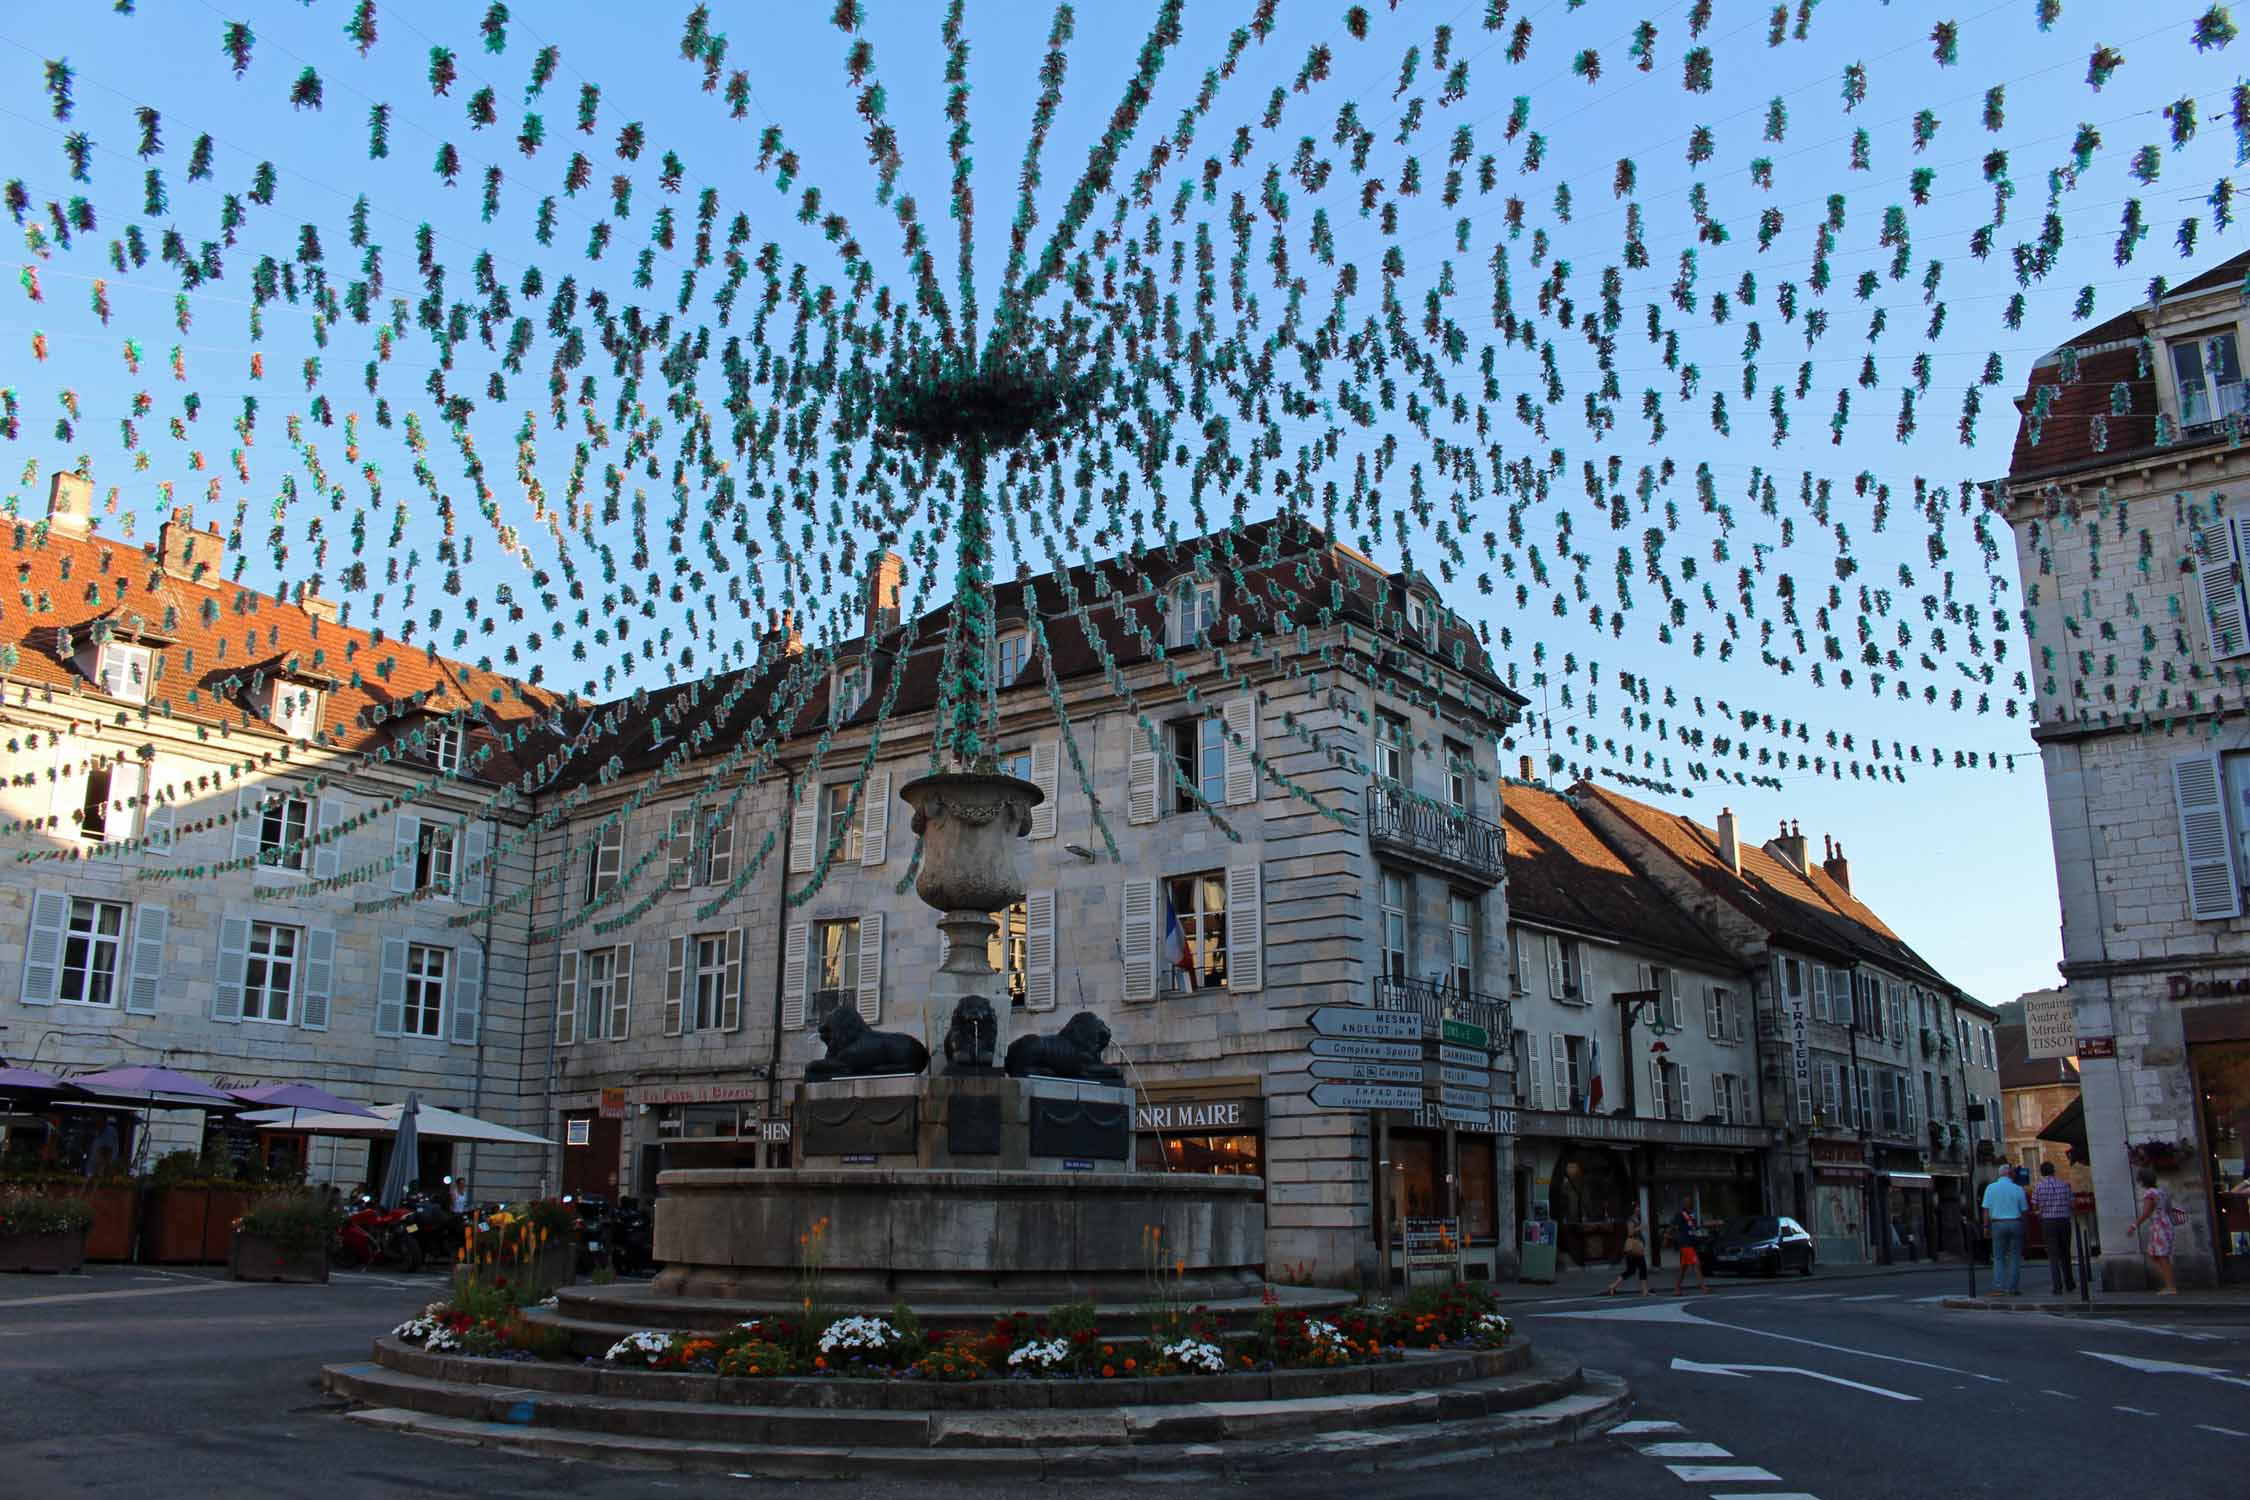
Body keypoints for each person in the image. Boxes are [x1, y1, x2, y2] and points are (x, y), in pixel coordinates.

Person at [2122, 1166, 2185, 1295]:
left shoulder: (2149, 1194)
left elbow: (2146, 1212)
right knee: (2154, 1254)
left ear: (2142, 1181)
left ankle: (2170, 1286)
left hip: (2159, 1226)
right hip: (2166, 1224)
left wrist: (2134, 1226)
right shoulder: (2162, 1192)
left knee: (2162, 1256)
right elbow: (2169, 1208)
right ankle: (2169, 1282)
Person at [1980, 1162, 2029, 1295]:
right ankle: (2013, 1288)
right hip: (2015, 1222)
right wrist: (2025, 1226)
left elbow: (1986, 1210)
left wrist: (1985, 1226)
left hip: (1998, 1223)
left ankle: (1999, 1287)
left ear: (2000, 1174)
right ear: (2010, 1174)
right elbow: (2024, 1211)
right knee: (2014, 1256)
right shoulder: (2018, 1189)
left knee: (1998, 1257)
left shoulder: (1990, 1188)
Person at [2030, 1160, 2076, 1294]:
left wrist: (2041, 1212)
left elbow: (2034, 1206)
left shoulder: (2039, 1187)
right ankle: (2070, 1283)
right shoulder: (2064, 1185)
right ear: (2053, 1171)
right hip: (2063, 1220)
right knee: (2065, 1253)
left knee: (2053, 1255)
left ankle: (2057, 1287)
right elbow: (2072, 1204)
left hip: (2048, 1222)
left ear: (2042, 1173)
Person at [1606, 1214, 1650, 1296]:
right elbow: (1630, 1232)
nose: (1639, 1209)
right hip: (1634, 1248)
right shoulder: (1630, 1220)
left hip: (1634, 1248)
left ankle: (1613, 1285)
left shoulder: (1636, 1219)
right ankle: (1645, 1290)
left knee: (1631, 1270)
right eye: (1637, 1207)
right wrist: (1640, 1228)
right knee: (1642, 1268)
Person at [1669, 1206, 1710, 1295]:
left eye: (1689, 1203)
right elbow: (1673, 1224)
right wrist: (1675, 1232)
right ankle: (1703, 1288)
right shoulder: (1680, 1214)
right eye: (1687, 1203)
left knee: (1683, 1269)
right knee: (1696, 1265)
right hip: (1686, 1245)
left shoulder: (1692, 1217)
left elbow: (1694, 1229)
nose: (1689, 1205)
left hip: (1690, 1245)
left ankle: (1677, 1289)